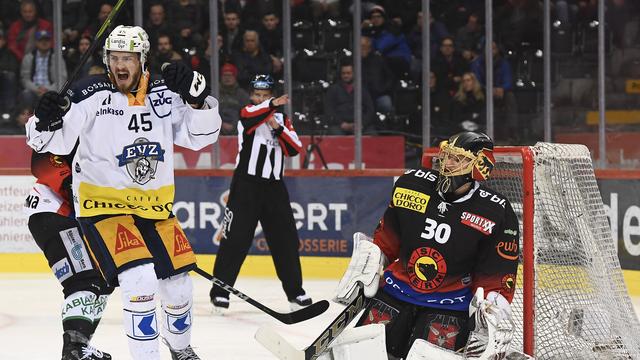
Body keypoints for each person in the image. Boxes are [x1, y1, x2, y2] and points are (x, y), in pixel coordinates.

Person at [26, 25, 222, 360]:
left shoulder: (164, 92)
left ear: (142, 60)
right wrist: (45, 120)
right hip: (105, 208)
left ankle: (181, 349)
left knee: (178, 284)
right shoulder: (90, 94)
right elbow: (53, 143)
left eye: (127, 58)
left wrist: (198, 99)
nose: (120, 65)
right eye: (114, 57)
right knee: (140, 279)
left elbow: (201, 137)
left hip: (155, 209)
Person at [330, 131, 520, 359]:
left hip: (450, 306)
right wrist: (368, 263)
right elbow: (387, 241)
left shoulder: (496, 211)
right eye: (447, 155)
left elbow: (495, 272)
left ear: (480, 166)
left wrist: (493, 304)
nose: (447, 163)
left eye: (457, 159)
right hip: (395, 292)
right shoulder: (411, 184)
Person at [210, 74, 312, 312]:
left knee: (285, 241)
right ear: (251, 95)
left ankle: (295, 292)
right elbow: (247, 116)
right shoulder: (248, 114)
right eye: (257, 95)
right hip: (246, 186)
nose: (260, 99)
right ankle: (220, 291)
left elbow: (294, 148)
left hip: (275, 188)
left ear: (272, 95)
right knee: (235, 239)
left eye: (265, 96)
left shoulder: (282, 120)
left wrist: (278, 128)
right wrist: (271, 106)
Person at [25, 150, 114, 360]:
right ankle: (74, 348)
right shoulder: (69, 126)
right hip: (52, 211)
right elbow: (40, 163)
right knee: (85, 281)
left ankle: (81, 346)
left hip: (67, 217)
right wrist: (71, 182)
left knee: (105, 282)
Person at [20, 29, 67, 106]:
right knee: (26, 94)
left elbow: (62, 78)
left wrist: (48, 89)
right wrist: (37, 89)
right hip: (33, 90)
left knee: (57, 96)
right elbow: (25, 79)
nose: (44, 42)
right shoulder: (28, 58)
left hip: (52, 90)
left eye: (47, 40)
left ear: (50, 42)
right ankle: (28, 117)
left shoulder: (58, 58)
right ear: (36, 42)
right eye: (41, 40)